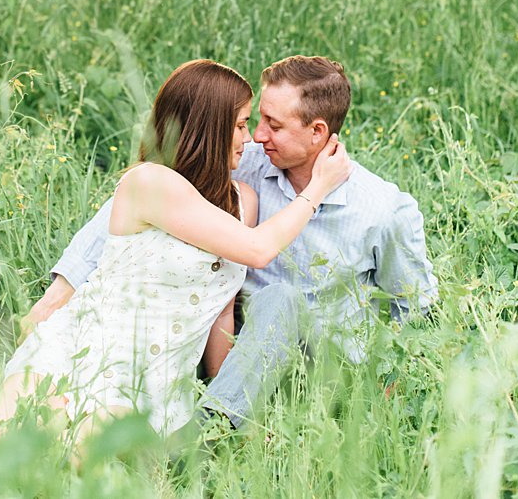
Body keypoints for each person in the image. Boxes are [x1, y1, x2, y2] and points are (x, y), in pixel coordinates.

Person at [25, 55, 437, 431]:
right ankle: (219, 409)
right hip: (232, 352)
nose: (257, 135)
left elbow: (413, 306)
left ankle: (213, 432)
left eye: (273, 125)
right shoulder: (246, 160)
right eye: (253, 121)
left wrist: (385, 389)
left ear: (317, 132)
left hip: (318, 367)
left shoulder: (384, 209)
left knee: (282, 298)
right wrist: (57, 296)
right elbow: (144, 199)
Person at [0, 59, 353, 441]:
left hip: (159, 393)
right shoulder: (148, 183)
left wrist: (226, 406)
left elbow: (220, 309)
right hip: (84, 354)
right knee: (12, 428)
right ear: (208, 127)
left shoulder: (242, 201)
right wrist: (318, 187)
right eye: (239, 124)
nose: (249, 138)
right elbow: (258, 250)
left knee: (89, 450)